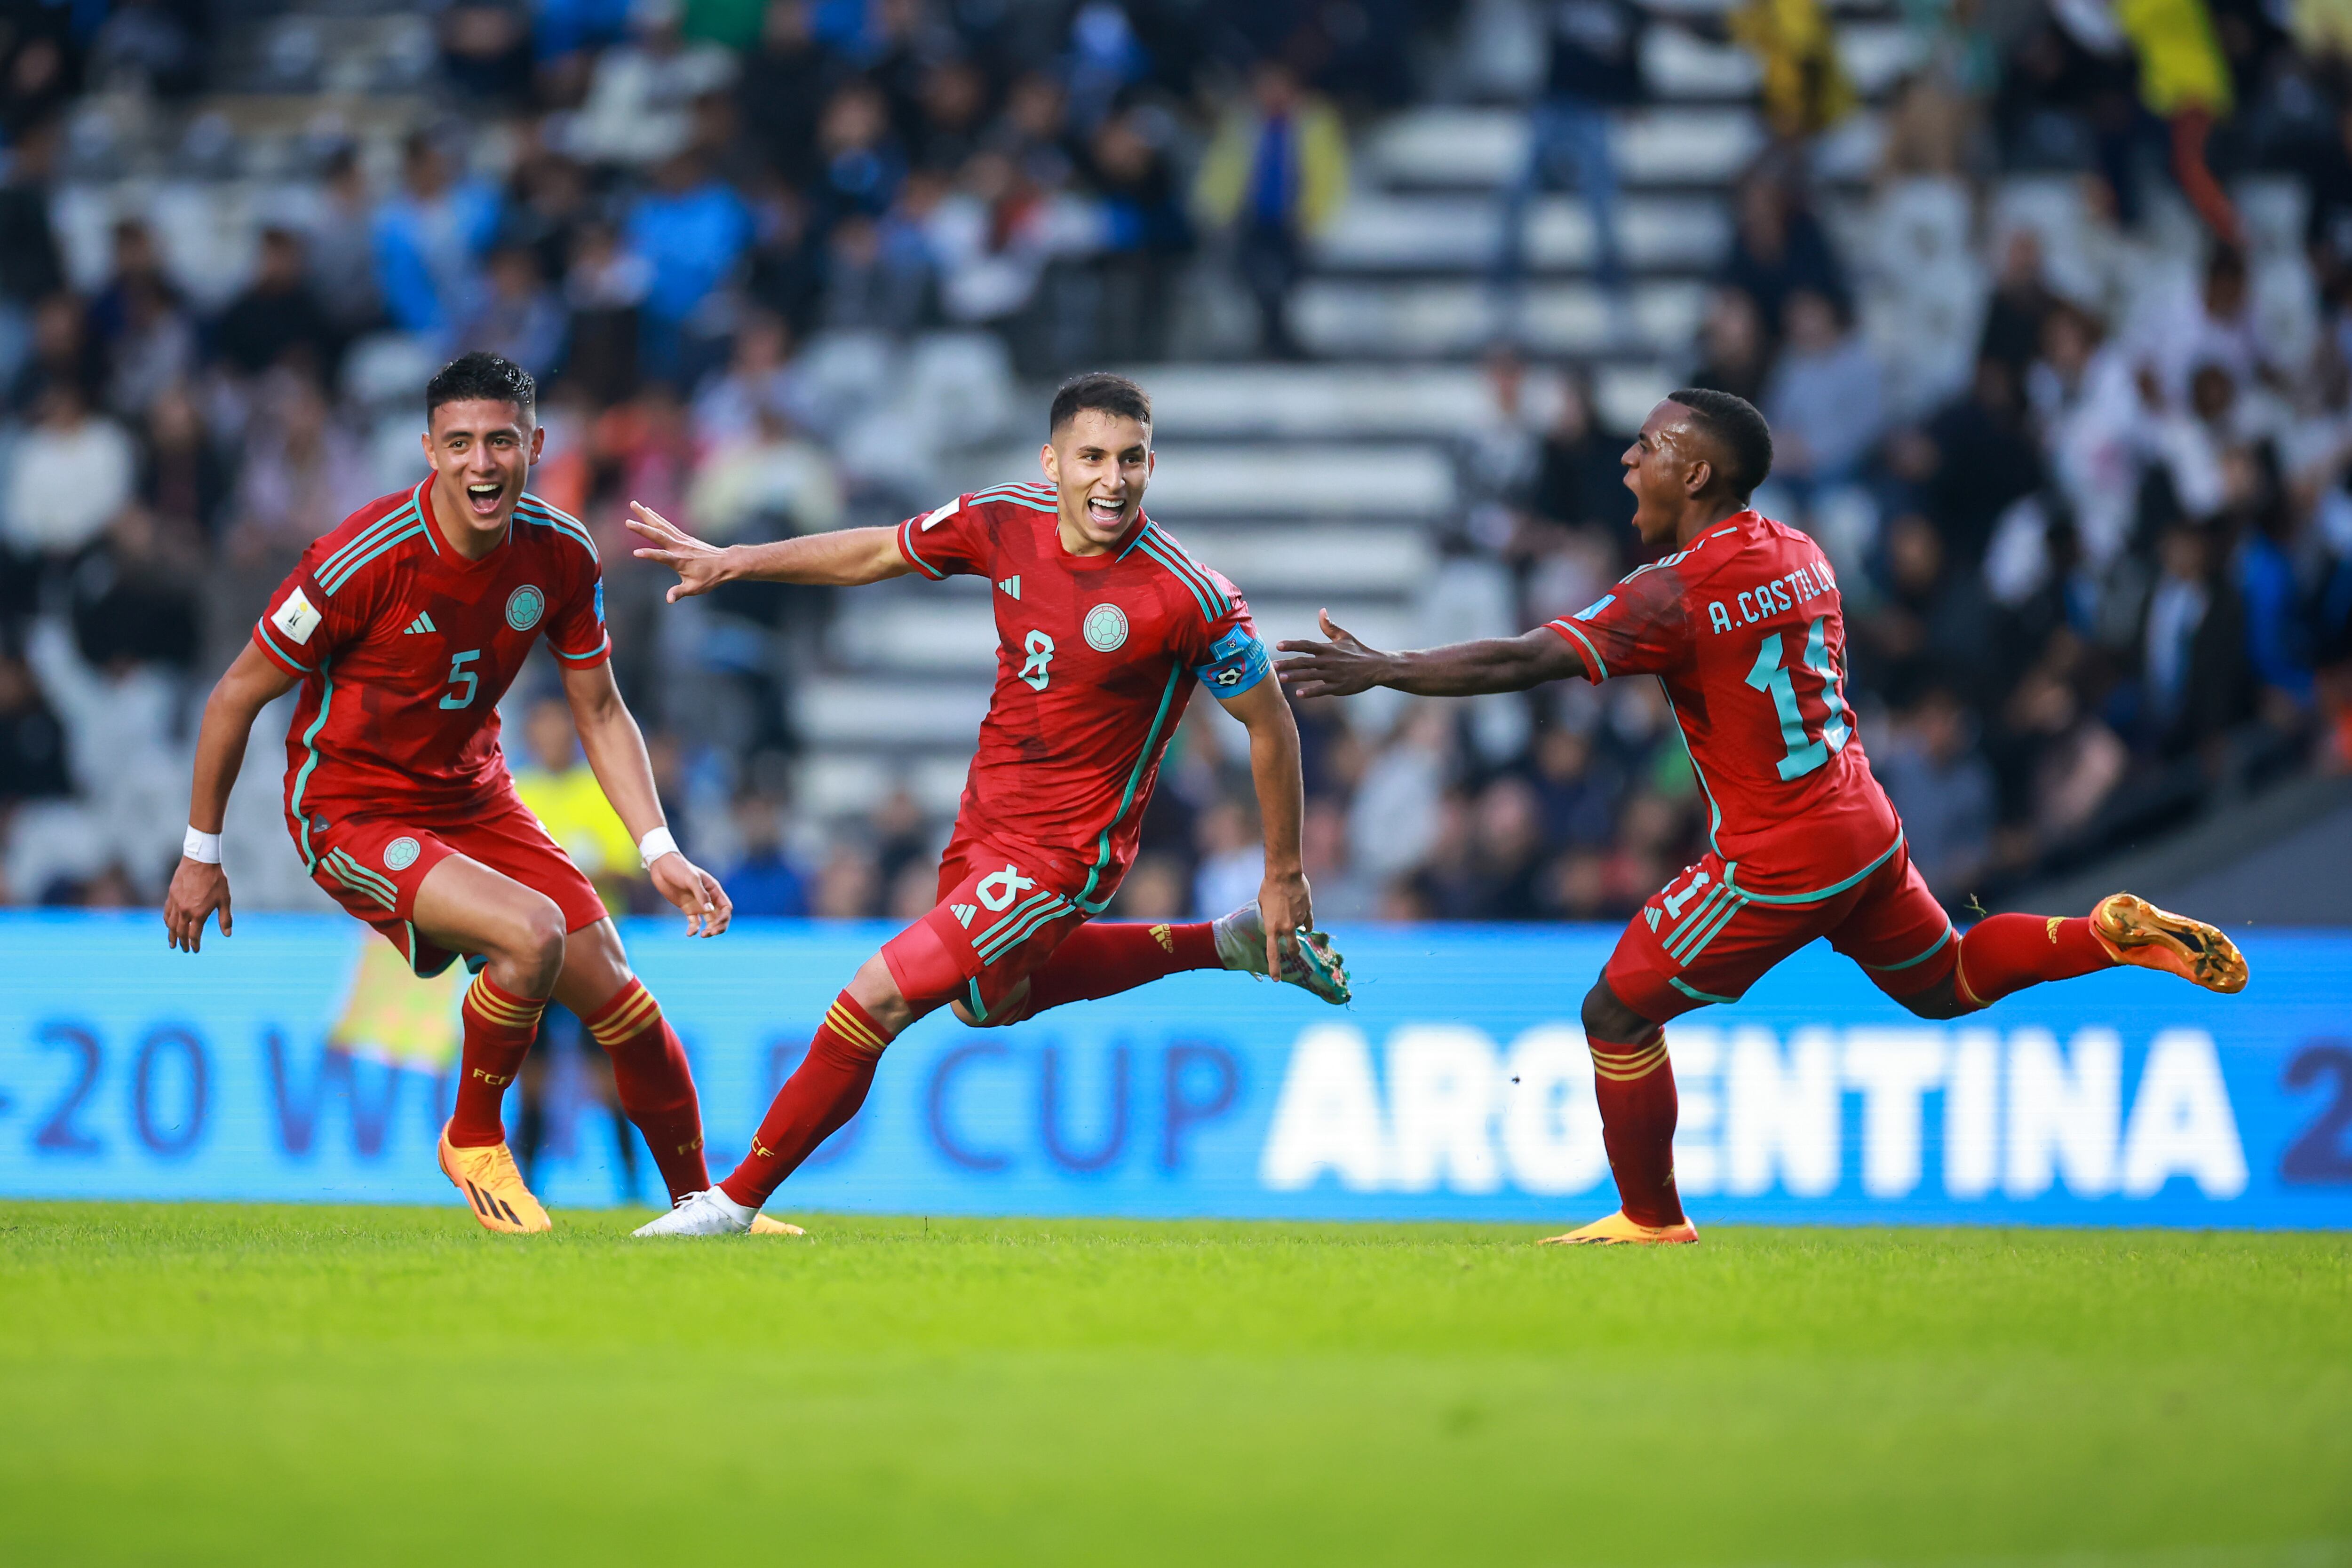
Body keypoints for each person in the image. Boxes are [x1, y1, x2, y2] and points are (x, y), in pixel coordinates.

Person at [1276, 388, 2249, 1247]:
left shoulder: (1677, 590)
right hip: (1862, 822)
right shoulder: (1802, 552)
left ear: (1695, 471)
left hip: (1781, 853)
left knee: (1615, 1010)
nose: (1627, 459)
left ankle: (1651, 1217)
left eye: (1648, 446)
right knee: (1948, 979)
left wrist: (1388, 669)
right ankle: (2106, 934)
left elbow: (1525, 659)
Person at [625, 372, 1351, 1236]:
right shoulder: (1005, 517)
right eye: (1091, 458)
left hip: (1064, 857)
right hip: (984, 824)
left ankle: (731, 1203)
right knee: (986, 1002)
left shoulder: (1187, 595)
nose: (1111, 480)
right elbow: (880, 551)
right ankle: (1220, 943)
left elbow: (1271, 727)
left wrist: (1285, 873)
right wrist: (738, 559)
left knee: (876, 997)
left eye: (1130, 460)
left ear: (1153, 464)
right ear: (1054, 463)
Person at [161, 352, 778, 1237]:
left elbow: (600, 708)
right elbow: (234, 696)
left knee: (622, 997)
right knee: (530, 936)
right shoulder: (358, 560)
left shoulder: (561, 551)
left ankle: (707, 1210)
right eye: (459, 443)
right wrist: (200, 853)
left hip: (474, 796)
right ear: (428, 448)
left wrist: (660, 849)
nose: (480, 464)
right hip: (351, 808)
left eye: (499, 442)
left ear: (535, 444)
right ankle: (474, 1136)